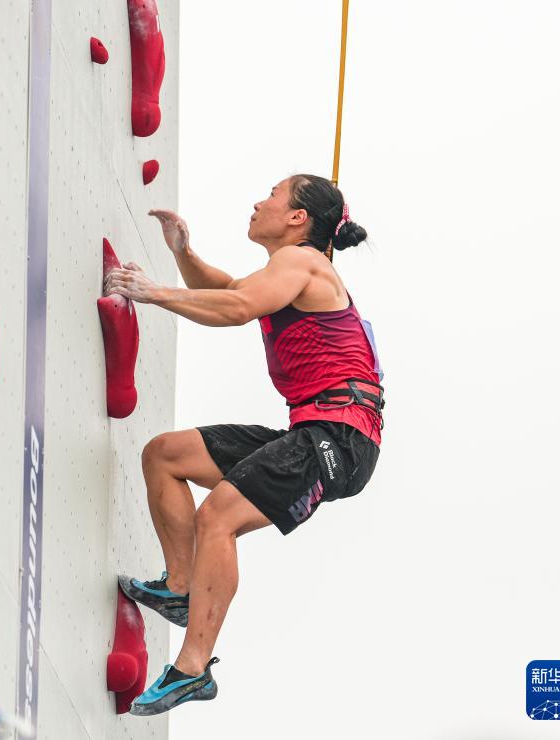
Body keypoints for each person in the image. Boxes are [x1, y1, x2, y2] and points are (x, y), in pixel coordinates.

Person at [108, 174, 384, 716]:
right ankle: (181, 589)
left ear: (298, 218)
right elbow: (231, 290)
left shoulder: (303, 263)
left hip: (340, 438)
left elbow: (236, 310)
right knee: (166, 455)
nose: (260, 202)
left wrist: (152, 292)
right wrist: (185, 254)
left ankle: (193, 669)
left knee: (218, 517)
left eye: (274, 195)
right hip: (314, 430)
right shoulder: (290, 269)